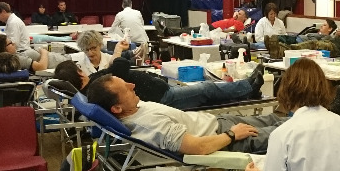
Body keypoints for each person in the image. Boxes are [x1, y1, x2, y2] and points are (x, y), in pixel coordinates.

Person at [85, 72, 340, 155]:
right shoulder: (149, 125)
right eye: (126, 88)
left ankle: (328, 113)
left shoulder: (134, 109)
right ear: (116, 108)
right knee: (288, 131)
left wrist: (227, 127)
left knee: (280, 118)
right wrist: (231, 135)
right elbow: (197, 148)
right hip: (223, 139)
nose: (133, 85)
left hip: (217, 124)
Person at [54, 58, 265, 109]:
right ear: (79, 71)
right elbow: (122, 65)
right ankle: (248, 86)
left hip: (160, 91)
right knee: (206, 88)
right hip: (162, 98)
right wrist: (113, 61)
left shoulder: (91, 89)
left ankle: (246, 91)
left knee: (204, 91)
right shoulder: (97, 84)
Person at [265, 25, 340, 59]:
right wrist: (336, 35)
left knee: (313, 44)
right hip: (330, 41)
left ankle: (281, 50)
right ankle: (276, 47)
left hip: (334, 48)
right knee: (311, 43)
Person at [0, 34, 67, 72]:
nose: (14, 44)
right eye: (10, 43)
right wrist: (44, 52)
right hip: (64, 62)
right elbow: (41, 67)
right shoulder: (16, 59)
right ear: (4, 49)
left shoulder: (15, 56)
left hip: (62, 58)